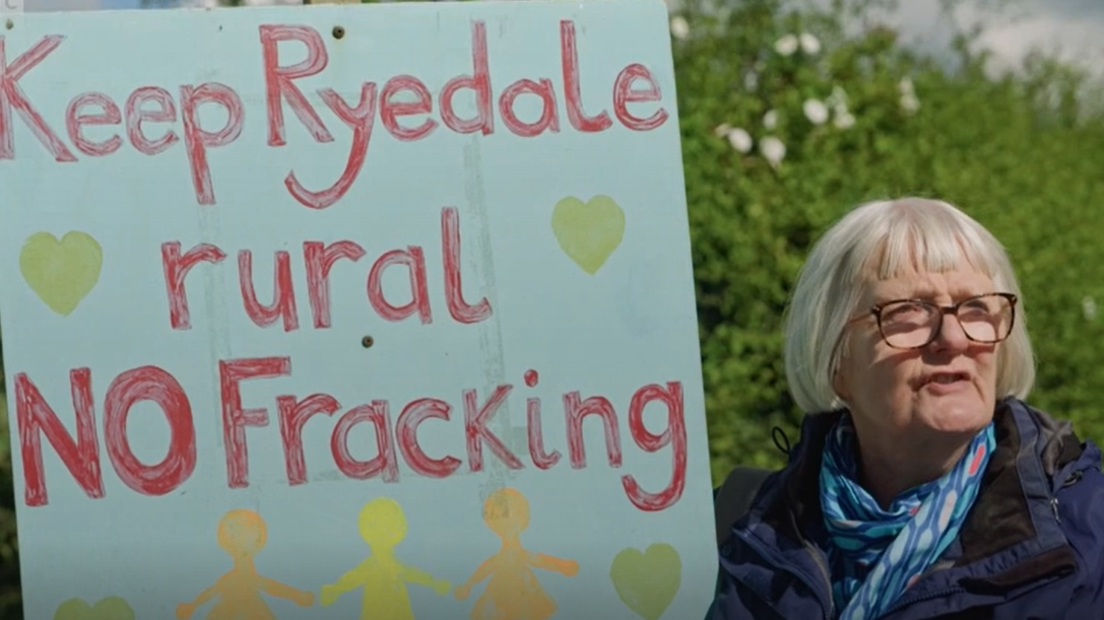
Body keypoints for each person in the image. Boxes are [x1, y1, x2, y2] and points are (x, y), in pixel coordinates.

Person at [708, 198, 1104, 620]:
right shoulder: (743, 534)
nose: (953, 338)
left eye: (976, 307)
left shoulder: (1087, 532)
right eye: (908, 311)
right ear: (835, 358)